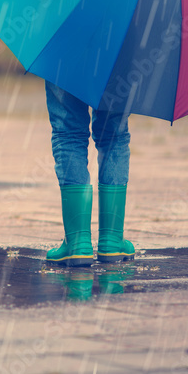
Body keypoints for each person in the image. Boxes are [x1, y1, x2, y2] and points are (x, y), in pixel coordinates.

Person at [44, 80, 134, 267]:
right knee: (114, 134)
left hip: (65, 55)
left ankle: (77, 242)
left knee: (69, 133)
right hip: (116, 56)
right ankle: (111, 240)